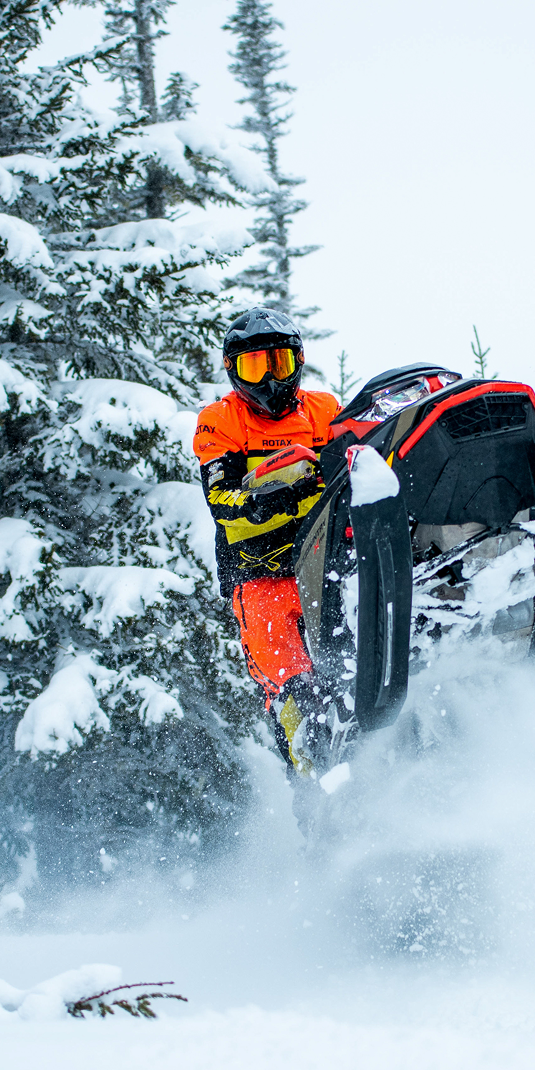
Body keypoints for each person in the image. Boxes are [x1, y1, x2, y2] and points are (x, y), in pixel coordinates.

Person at [193, 308, 342, 778]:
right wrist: (282, 495)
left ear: (298, 360)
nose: (270, 379)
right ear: (232, 371)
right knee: (294, 687)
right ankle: (313, 781)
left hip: (326, 566)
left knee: (349, 668)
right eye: (255, 367)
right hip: (258, 577)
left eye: (278, 362)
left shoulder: (324, 409)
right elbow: (222, 500)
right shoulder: (221, 421)